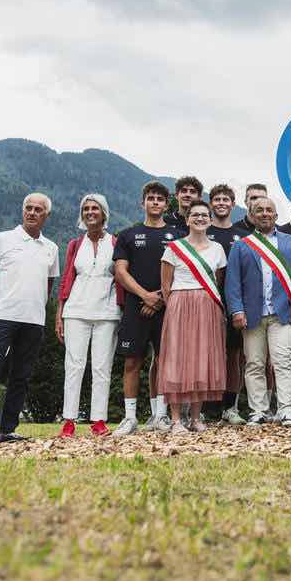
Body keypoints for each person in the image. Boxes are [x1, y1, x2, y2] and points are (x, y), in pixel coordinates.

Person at [0, 193, 60, 446]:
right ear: (22, 211)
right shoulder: (2, 239)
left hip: (33, 321)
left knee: (20, 376)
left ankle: (7, 430)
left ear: (46, 215)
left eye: (38, 210)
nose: (32, 212)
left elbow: (48, 286)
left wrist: (33, 308)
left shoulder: (51, 248)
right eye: (28, 208)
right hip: (0, 318)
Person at [225, 196, 291, 426]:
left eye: (269, 210)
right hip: (252, 315)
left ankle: (286, 410)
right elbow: (232, 283)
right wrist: (236, 311)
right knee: (254, 363)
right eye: (259, 210)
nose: (264, 213)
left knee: (282, 363)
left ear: (276, 215)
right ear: (252, 216)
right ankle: (258, 411)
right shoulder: (241, 245)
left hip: (283, 314)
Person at [112, 181, 185, 435]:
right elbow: (120, 272)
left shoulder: (178, 236)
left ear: (167, 204)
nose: (155, 202)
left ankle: (161, 416)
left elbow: (182, 272)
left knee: (165, 361)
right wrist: (145, 296)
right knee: (132, 361)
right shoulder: (127, 235)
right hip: (135, 306)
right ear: (142, 202)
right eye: (151, 198)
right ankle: (130, 418)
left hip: (168, 307)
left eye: (160, 199)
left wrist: (161, 299)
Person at [158, 200, 228, 434]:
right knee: (177, 359)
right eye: (195, 215)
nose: (200, 218)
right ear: (187, 220)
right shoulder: (174, 248)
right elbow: (165, 286)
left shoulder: (218, 249)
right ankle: (176, 419)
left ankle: (196, 418)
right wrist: (178, 307)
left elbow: (218, 282)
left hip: (207, 305)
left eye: (204, 215)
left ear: (210, 220)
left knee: (201, 359)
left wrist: (203, 301)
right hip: (180, 303)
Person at [56, 194, 120, 438]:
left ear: (104, 213)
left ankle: (98, 421)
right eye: (86, 209)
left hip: (107, 312)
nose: (90, 212)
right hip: (76, 311)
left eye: (95, 208)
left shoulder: (115, 242)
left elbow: (121, 275)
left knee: (102, 367)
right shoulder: (75, 245)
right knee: (73, 365)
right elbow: (66, 280)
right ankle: (69, 421)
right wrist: (59, 314)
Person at [206, 183, 251, 425]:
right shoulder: (201, 231)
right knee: (205, 355)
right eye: (217, 199)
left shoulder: (243, 236)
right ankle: (200, 408)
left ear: (233, 204)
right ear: (211, 203)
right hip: (206, 303)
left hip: (235, 304)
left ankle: (230, 407)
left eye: (226, 199)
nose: (221, 203)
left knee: (234, 356)